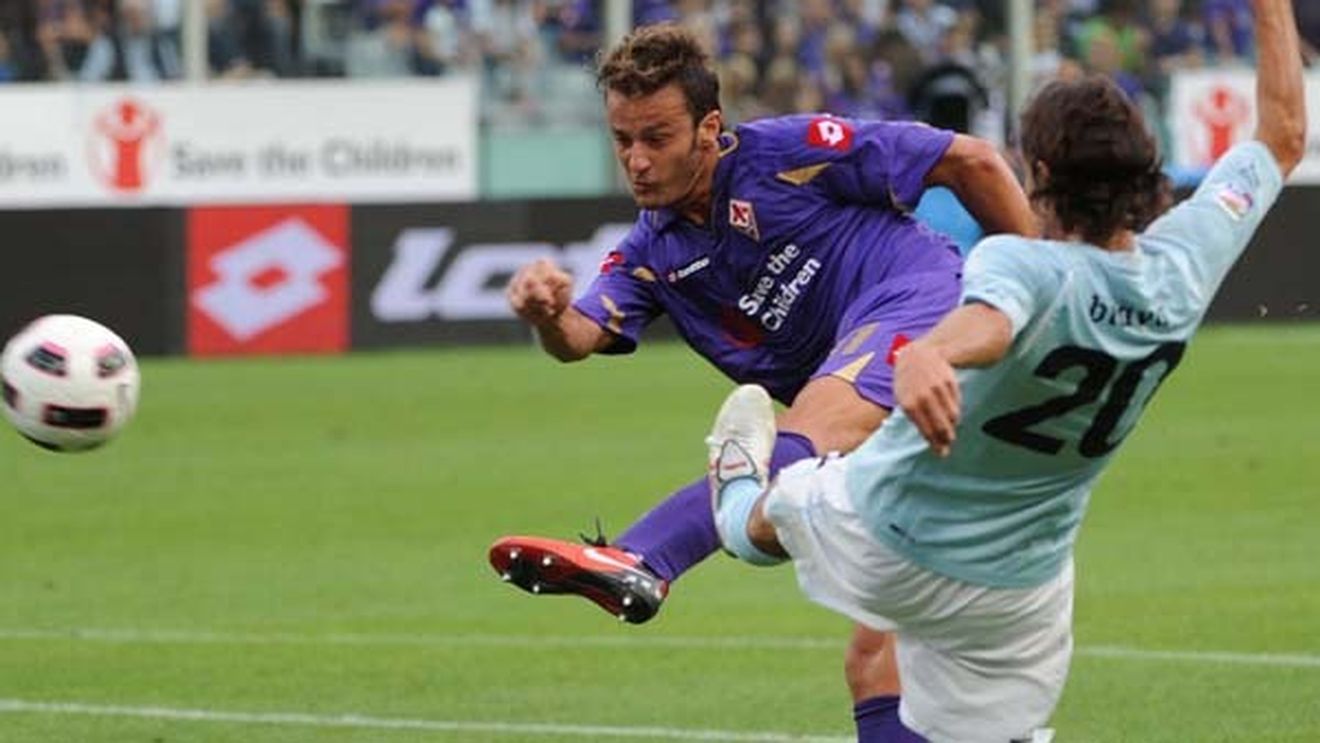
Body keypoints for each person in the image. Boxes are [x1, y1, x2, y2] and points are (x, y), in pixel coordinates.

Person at [702, 0, 1305, 739]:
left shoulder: (1018, 261)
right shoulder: (1186, 266)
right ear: (1145, 171)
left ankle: (733, 483)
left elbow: (989, 323)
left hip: (886, 530)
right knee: (914, 685)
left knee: (761, 519)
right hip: (1018, 584)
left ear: (1039, 171)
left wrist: (928, 352)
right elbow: (1281, 135)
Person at [487, 22, 1035, 742]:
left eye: (656, 136)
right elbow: (582, 337)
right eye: (623, 140)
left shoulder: (789, 152)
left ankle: (646, 555)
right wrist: (548, 314)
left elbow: (970, 160)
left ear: (709, 128)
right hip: (886, 418)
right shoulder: (652, 250)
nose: (637, 161)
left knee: (808, 430)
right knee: (879, 659)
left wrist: (1040, 285)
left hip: (914, 302)